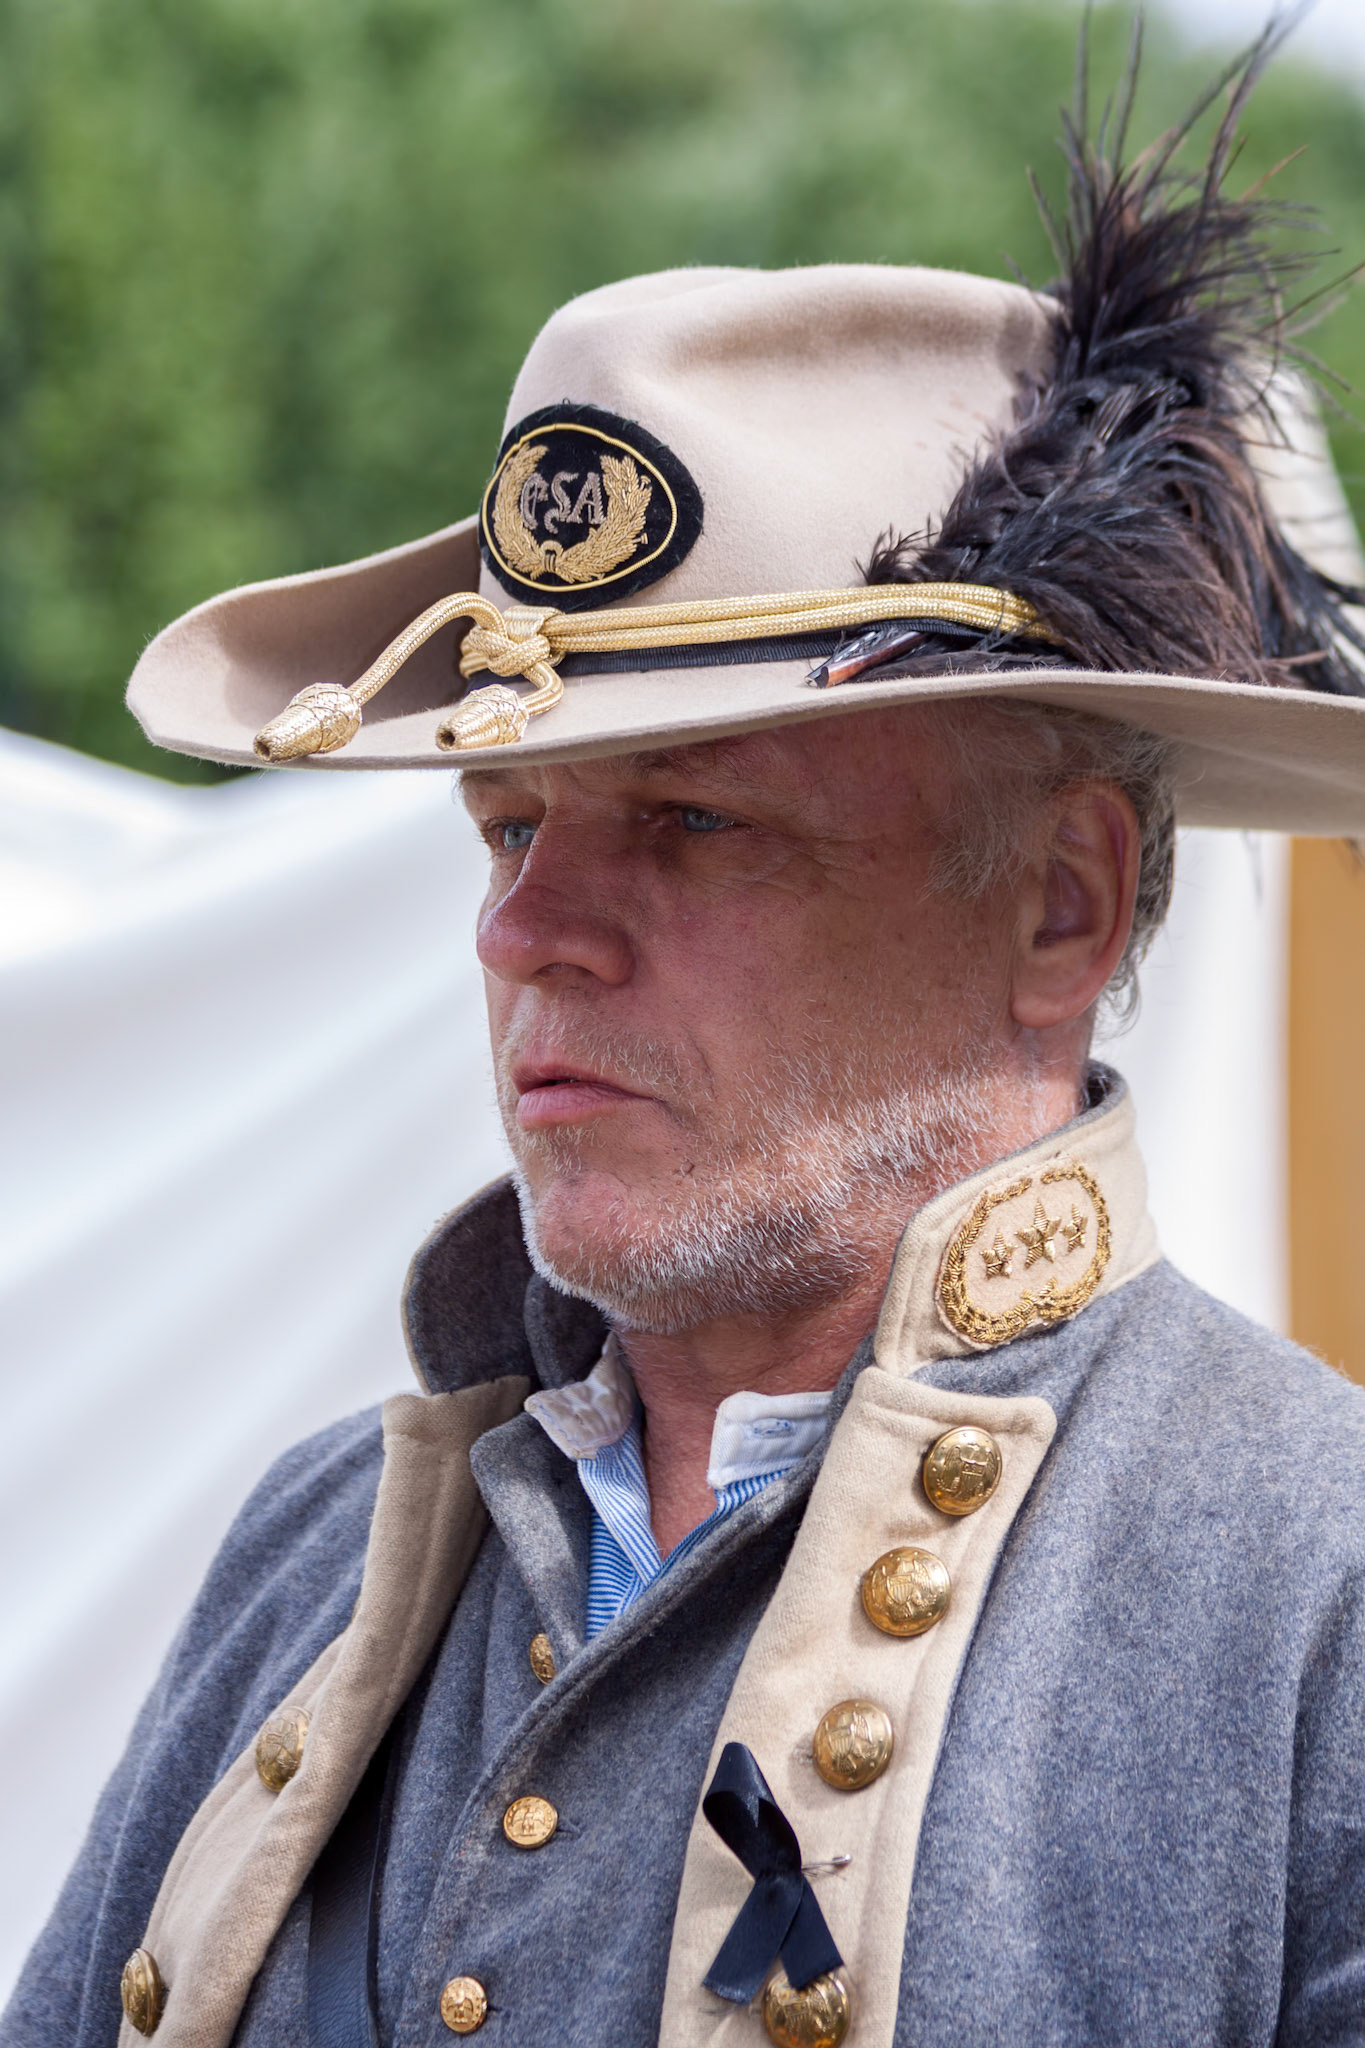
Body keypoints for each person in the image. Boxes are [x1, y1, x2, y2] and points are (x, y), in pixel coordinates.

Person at [6, 35, 1365, 2048]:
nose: (521, 931)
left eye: (694, 822)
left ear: (1058, 906)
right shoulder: (310, 1545)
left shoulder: (1318, 1596)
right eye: (507, 827)